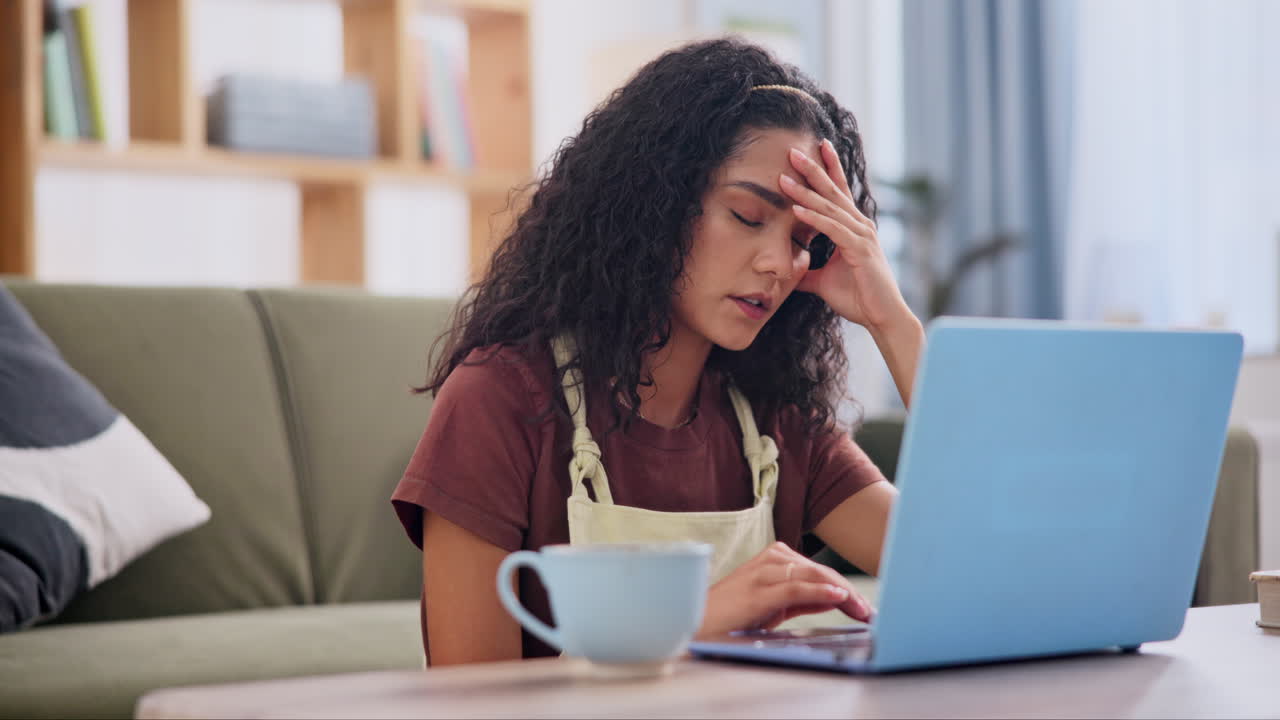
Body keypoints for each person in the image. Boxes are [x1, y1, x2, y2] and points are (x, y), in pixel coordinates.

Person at [391, 37, 924, 666]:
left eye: (808, 240)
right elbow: (467, 702)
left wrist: (893, 321)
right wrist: (687, 626)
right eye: (749, 216)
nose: (780, 263)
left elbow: (969, 568)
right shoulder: (500, 399)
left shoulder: (775, 422)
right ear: (656, 202)